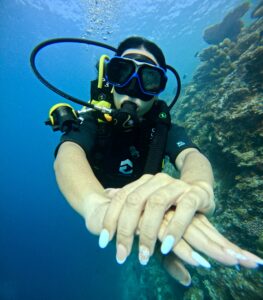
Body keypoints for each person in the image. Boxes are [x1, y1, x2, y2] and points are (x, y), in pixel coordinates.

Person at [53, 36, 262, 286]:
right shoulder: (92, 118)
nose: (133, 89)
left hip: (144, 209)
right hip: (105, 199)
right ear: (110, 77)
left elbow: (191, 155)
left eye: (148, 80)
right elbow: (68, 154)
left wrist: (200, 186)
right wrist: (94, 205)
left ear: (159, 87)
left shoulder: (160, 126)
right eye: (123, 73)